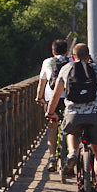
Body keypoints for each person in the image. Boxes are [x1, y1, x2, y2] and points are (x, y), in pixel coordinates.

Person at [46, 42, 97, 192]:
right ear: (88, 55)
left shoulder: (66, 69)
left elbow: (56, 95)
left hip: (73, 114)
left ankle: (73, 154)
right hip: (96, 115)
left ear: (73, 56)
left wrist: (50, 112)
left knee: (70, 131)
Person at [35, 38, 70, 171]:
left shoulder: (47, 62)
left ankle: (51, 158)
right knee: (71, 127)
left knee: (52, 127)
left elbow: (42, 83)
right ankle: (71, 153)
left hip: (51, 100)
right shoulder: (72, 62)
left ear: (53, 51)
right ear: (67, 51)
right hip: (69, 99)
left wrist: (39, 98)